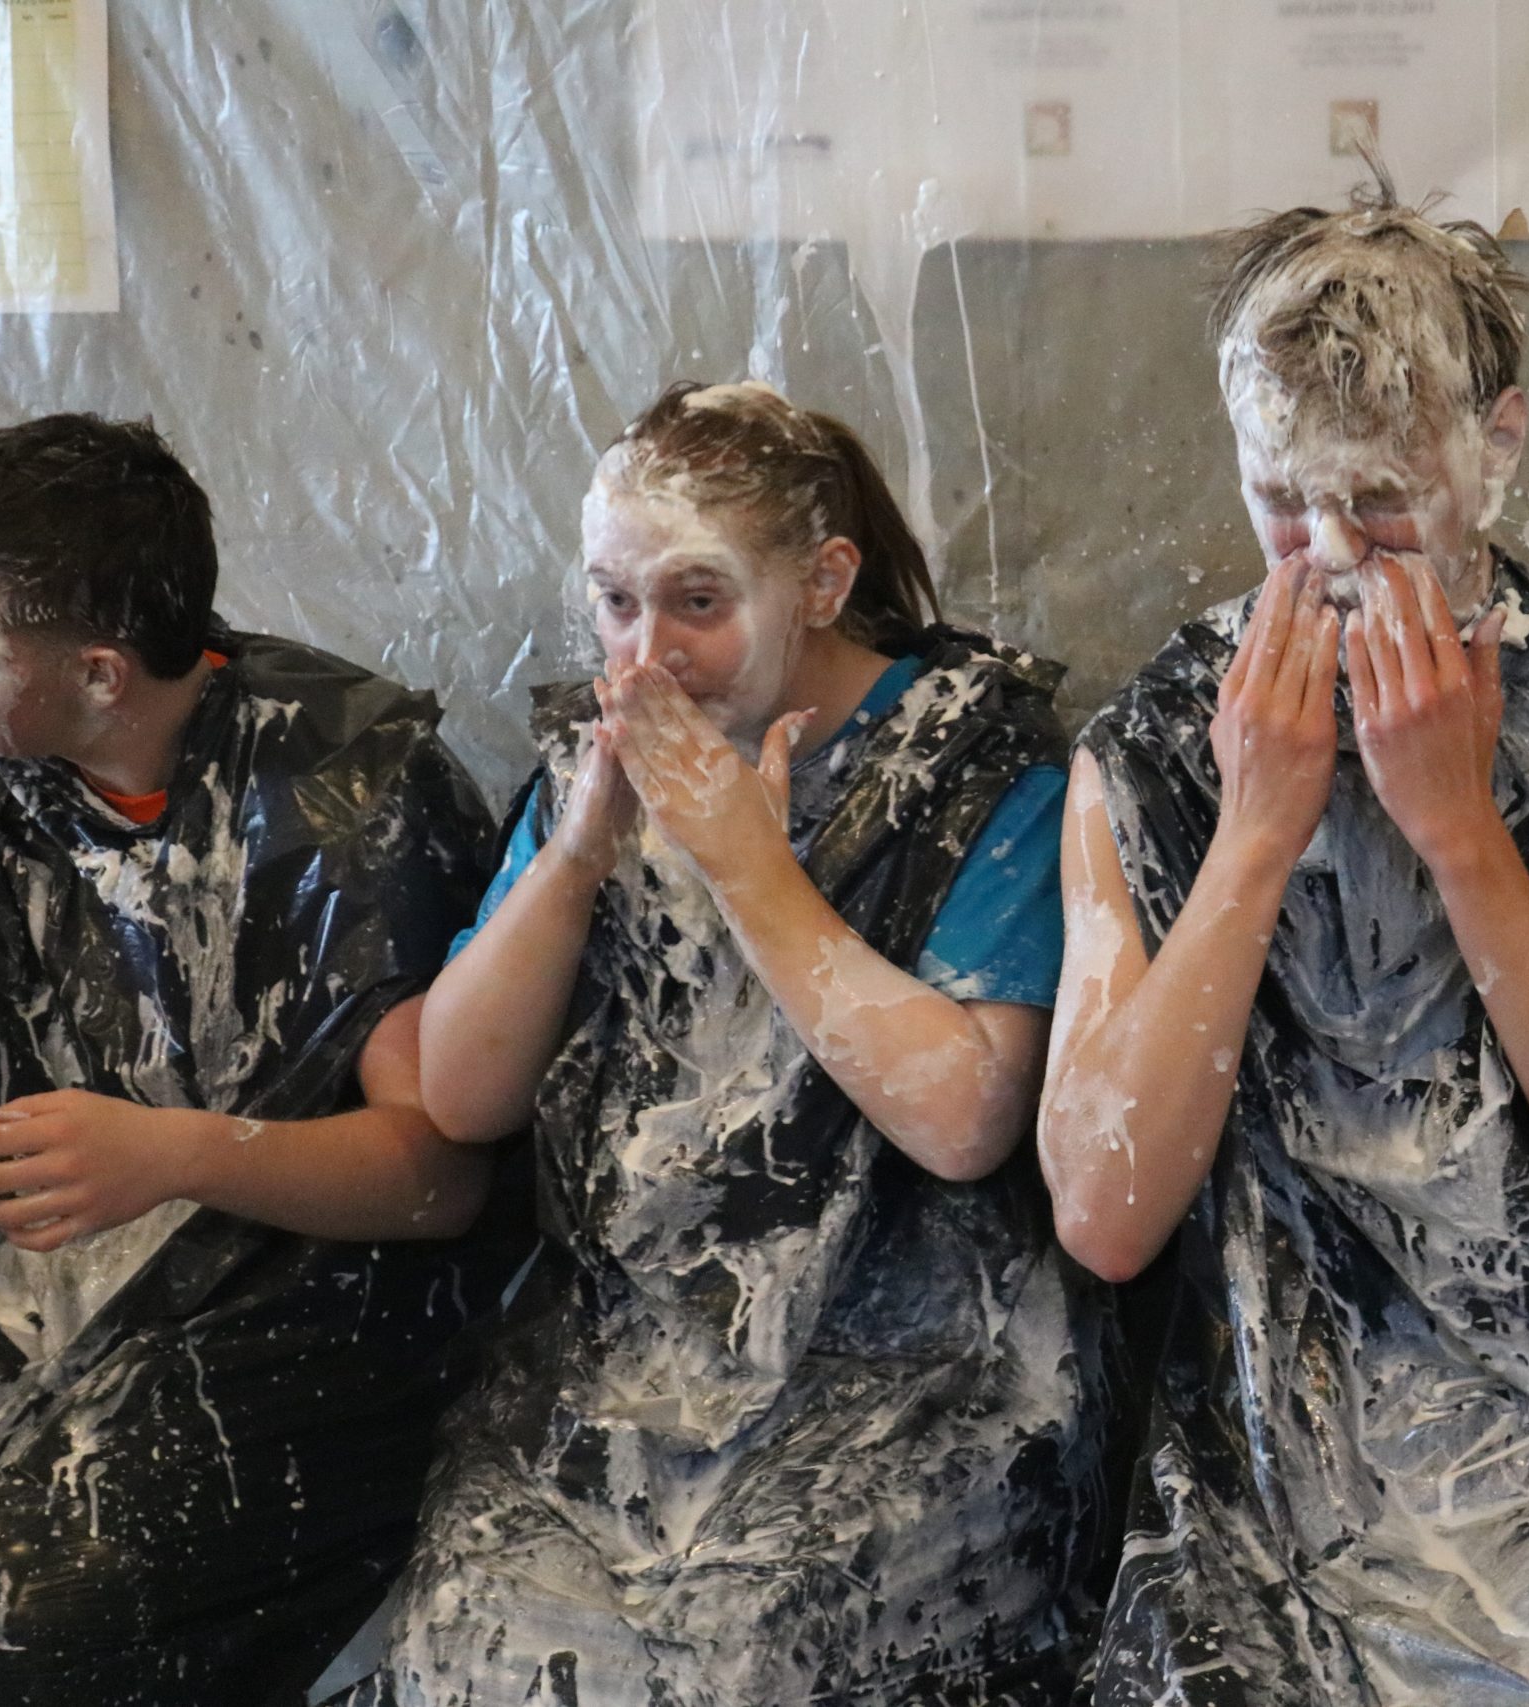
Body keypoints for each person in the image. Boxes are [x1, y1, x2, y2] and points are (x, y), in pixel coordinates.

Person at [1042, 171, 1529, 1706]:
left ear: (1499, 444)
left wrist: (1460, 831)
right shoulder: (1155, 745)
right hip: (1272, 1476)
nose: (1333, 553)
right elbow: (1104, 1215)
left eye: (1385, 503)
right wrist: (1255, 835)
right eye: (1284, 504)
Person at [370, 381, 1103, 1707]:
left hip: (920, 1360)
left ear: (822, 583)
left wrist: (750, 870)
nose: (645, 654)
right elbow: (462, 1097)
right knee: (469, 1647)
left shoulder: (973, 768)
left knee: (730, 1664)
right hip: (628, 1360)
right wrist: (578, 853)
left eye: (696, 602)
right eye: (614, 602)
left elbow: (964, 1122)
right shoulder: (595, 759)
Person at [0, 414, 506, 1705]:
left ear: (101, 675)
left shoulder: (345, 793)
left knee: (7, 1625)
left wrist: (172, 1154)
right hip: (41, 1268)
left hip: (307, 1301)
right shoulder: (1, 756)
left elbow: (440, 1180)